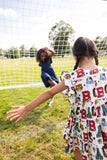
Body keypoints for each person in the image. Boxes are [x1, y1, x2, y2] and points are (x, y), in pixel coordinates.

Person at [7, 37, 107, 160]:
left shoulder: (73, 76)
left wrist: (26, 108)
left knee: (79, 148)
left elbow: (49, 93)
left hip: (82, 121)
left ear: (74, 56)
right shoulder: (105, 72)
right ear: (94, 52)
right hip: (103, 119)